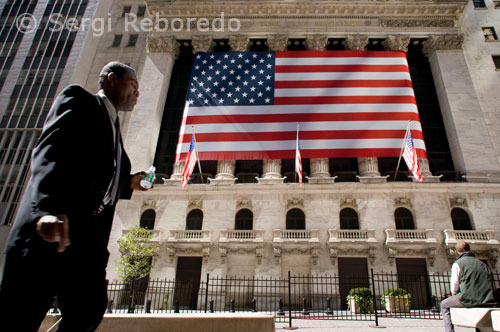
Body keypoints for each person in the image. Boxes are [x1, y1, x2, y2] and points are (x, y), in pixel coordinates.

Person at [0, 62, 148, 331]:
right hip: (51, 230)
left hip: (86, 240)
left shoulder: (113, 127)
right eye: (133, 85)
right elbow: (50, 154)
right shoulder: (79, 101)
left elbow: (96, 172)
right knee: (20, 316)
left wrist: (129, 183)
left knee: (88, 311)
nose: (137, 93)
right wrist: (46, 209)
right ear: (112, 80)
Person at [440, 241, 496, 332]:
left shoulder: (458, 263)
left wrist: (454, 294)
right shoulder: (483, 264)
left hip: (468, 298)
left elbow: (454, 286)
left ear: (458, 252)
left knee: (444, 304)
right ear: (470, 249)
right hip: (487, 298)